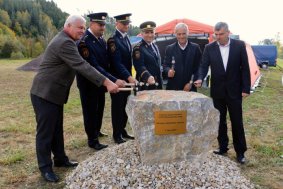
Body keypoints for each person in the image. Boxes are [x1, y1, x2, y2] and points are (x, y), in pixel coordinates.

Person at [30, 15, 119, 182]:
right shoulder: (64, 42)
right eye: (79, 27)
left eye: (84, 27)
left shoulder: (68, 40)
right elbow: (82, 65)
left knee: (57, 129)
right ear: (68, 26)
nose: (82, 30)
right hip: (44, 93)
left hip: (53, 93)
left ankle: (60, 159)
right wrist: (107, 82)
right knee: (45, 133)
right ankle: (45, 168)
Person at [194, 22, 250, 164]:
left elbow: (245, 68)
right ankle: (223, 147)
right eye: (216, 34)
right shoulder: (209, 47)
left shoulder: (239, 45)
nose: (217, 37)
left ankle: (240, 152)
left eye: (221, 34)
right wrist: (200, 78)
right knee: (220, 121)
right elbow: (203, 65)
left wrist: (245, 88)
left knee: (237, 121)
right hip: (218, 91)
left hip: (235, 90)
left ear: (228, 32)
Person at [76, 13, 125, 150]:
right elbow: (93, 65)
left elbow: (105, 63)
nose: (103, 27)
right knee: (90, 111)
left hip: (100, 83)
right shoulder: (84, 41)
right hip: (88, 84)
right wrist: (113, 79)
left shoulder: (101, 40)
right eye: (100, 25)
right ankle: (92, 140)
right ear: (91, 24)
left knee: (99, 109)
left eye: (104, 25)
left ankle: (96, 131)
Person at [107, 13, 135, 144]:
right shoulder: (113, 40)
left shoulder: (126, 39)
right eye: (124, 23)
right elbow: (116, 63)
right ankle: (116, 134)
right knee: (117, 108)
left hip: (127, 80)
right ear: (116, 23)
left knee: (125, 106)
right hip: (118, 80)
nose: (126, 25)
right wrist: (129, 76)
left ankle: (123, 130)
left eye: (128, 23)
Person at [163, 23, 202, 91]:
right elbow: (165, 65)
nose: (181, 36)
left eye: (184, 33)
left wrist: (191, 83)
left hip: (189, 88)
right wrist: (168, 71)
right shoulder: (170, 48)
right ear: (175, 34)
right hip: (173, 88)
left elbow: (199, 67)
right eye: (179, 34)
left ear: (188, 33)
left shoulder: (195, 48)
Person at [133, 21, 163, 90]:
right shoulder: (138, 48)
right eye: (147, 32)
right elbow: (139, 66)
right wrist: (148, 76)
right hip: (145, 85)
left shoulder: (155, 46)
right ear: (142, 34)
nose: (150, 35)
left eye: (151, 32)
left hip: (157, 84)